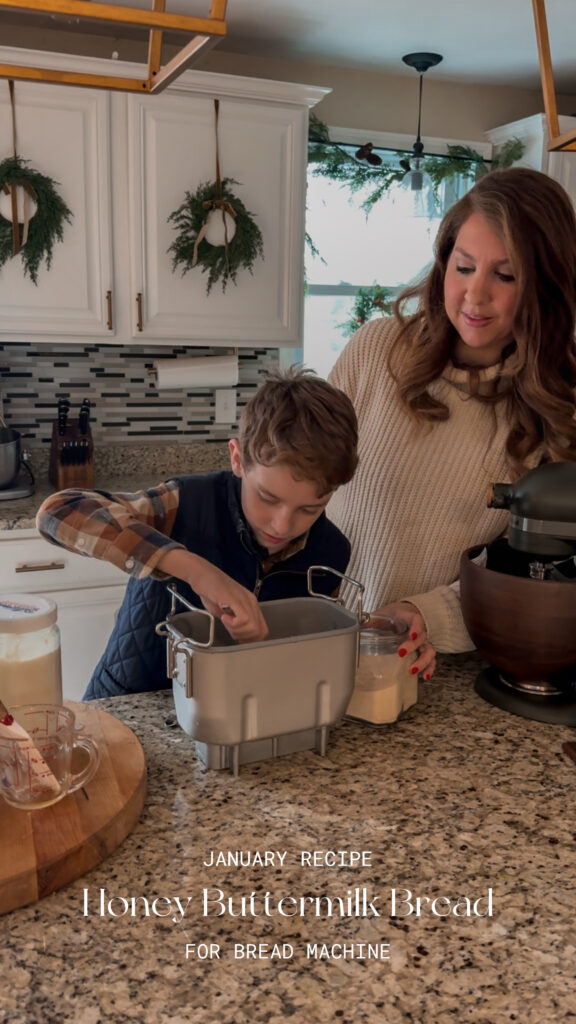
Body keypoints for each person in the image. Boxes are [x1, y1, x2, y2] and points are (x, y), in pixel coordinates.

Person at [327, 166, 576, 681]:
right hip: (313, 643)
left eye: (504, 276)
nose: (474, 296)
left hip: (433, 670)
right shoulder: (376, 351)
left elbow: (534, 574)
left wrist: (425, 616)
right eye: (464, 267)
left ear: (545, 287)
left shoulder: (556, 411)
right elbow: (299, 479)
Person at [36, 368, 359, 698]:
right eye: (267, 497)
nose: (282, 525)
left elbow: (311, 652)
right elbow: (58, 511)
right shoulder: (184, 503)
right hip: (129, 704)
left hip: (242, 714)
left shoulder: (331, 552)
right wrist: (197, 571)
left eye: (309, 509)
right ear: (238, 459)